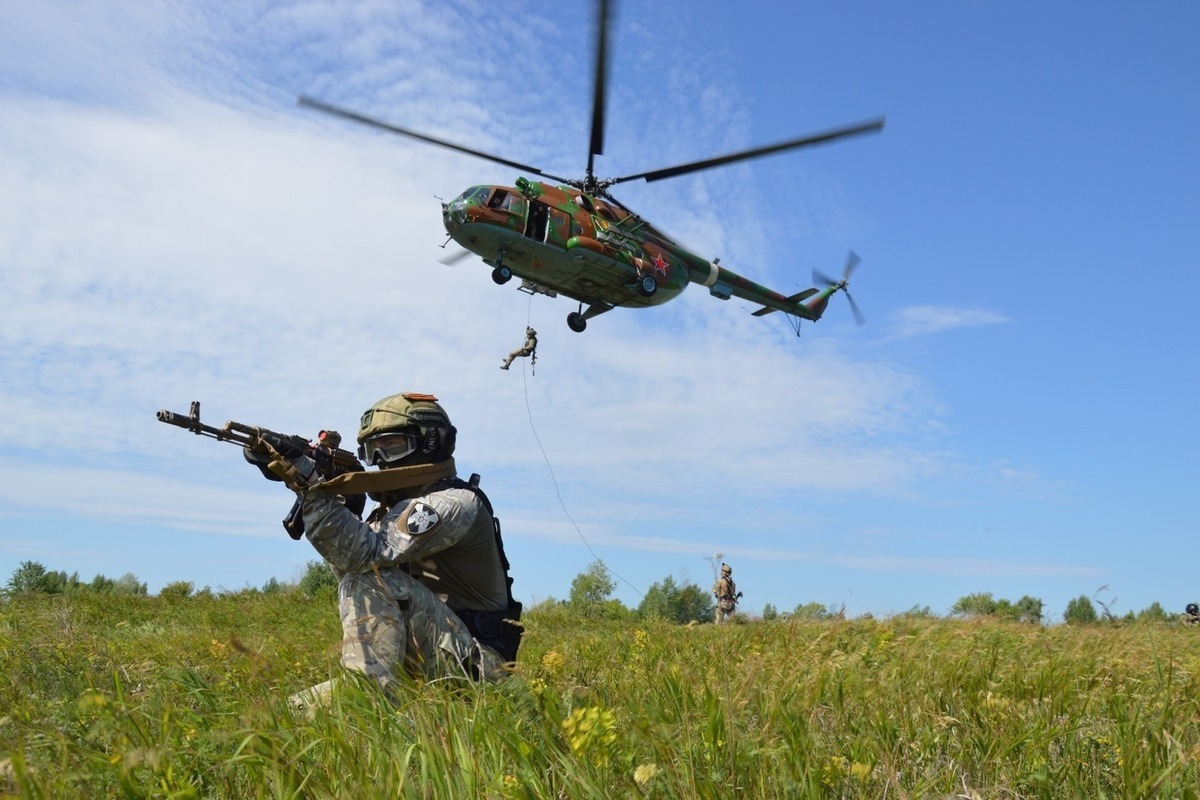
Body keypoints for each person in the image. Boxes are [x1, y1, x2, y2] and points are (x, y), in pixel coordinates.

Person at [252, 392, 522, 707]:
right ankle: (369, 697)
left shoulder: (454, 502)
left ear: (431, 443)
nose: (379, 460)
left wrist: (311, 486)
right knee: (290, 713)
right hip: (433, 657)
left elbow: (365, 562)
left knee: (372, 579)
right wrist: (343, 508)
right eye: (371, 451)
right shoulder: (397, 510)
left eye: (392, 446)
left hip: (480, 672)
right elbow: (347, 565)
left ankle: (369, 700)